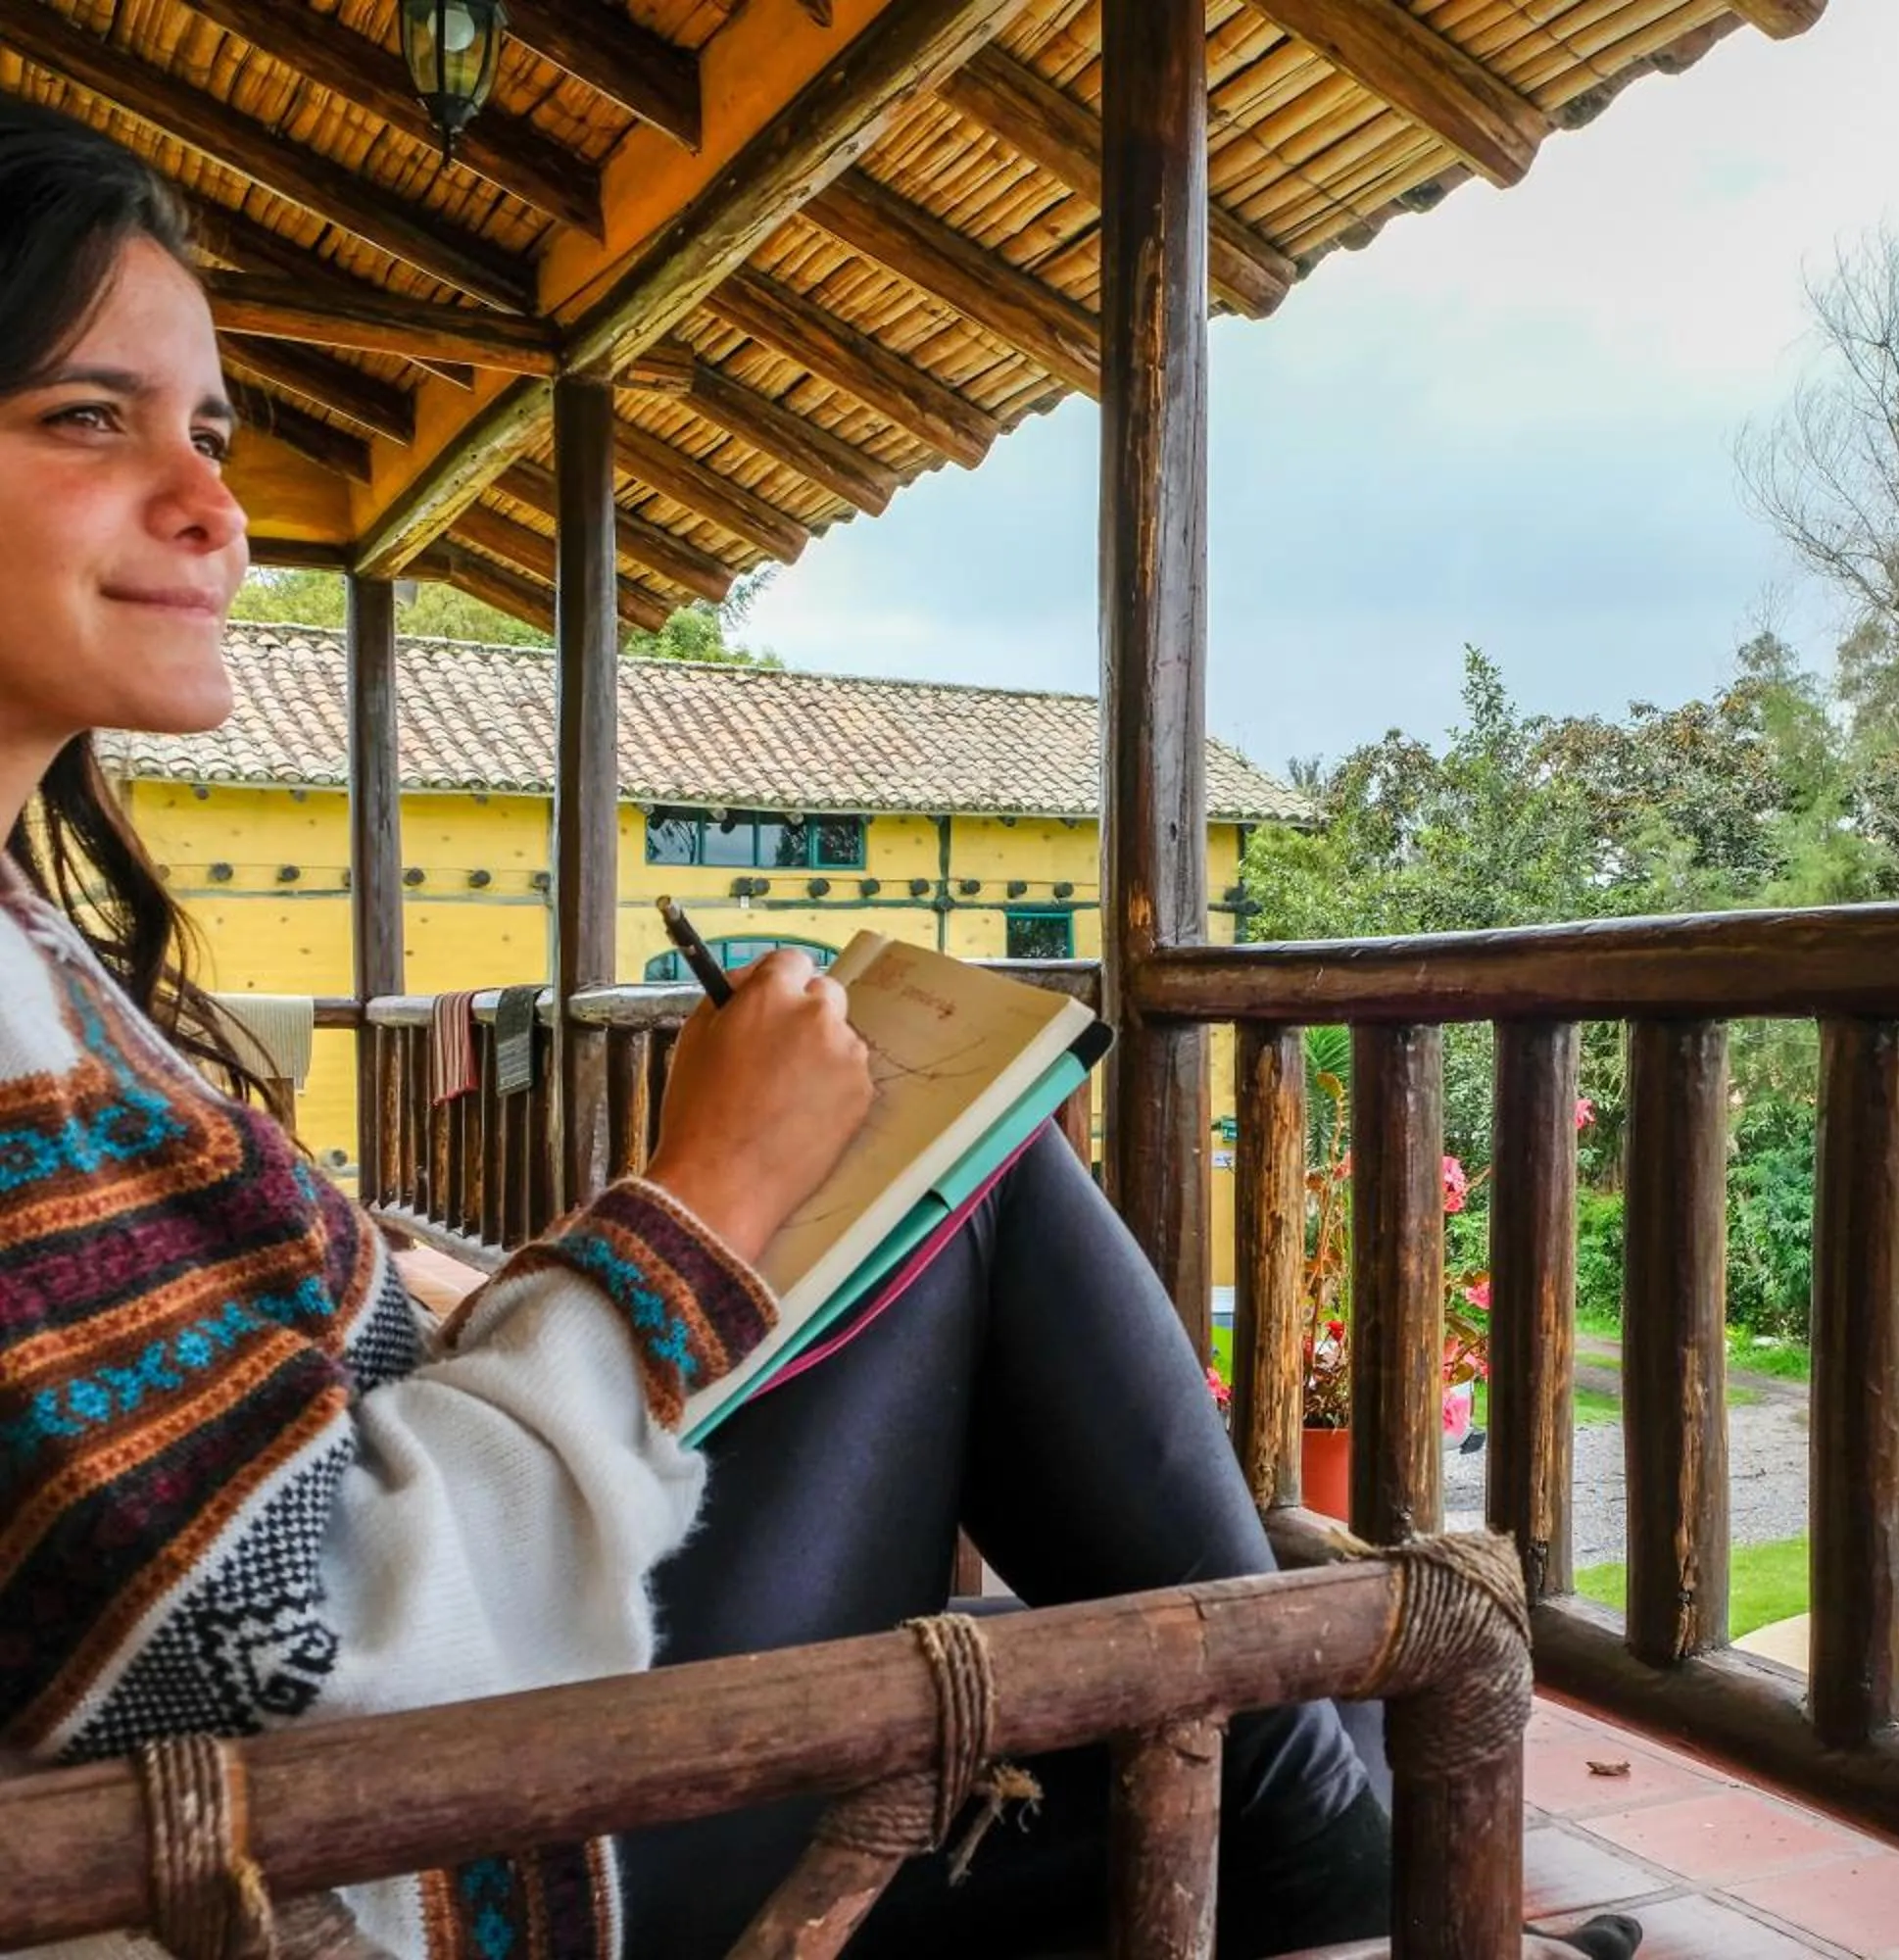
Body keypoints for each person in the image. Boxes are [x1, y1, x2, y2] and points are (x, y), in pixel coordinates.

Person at [0, 100, 1633, 1960]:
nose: (214, 503)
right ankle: (1367, 1868)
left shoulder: (34, 950)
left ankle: (1333, 1829)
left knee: (1130, 1660)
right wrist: (699, 1199)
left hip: (375, 1772)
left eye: (208, 431)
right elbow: (301, 1651)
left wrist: (543, 1277)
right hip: (377, 1860)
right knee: (1004, 1225)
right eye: (84, 416)